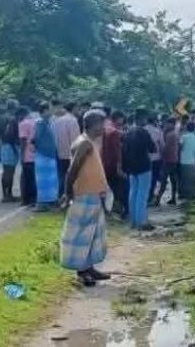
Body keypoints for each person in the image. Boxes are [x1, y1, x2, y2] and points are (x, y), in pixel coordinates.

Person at [60, 109, 111, 287]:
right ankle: (82, 272)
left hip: (93, 195)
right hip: (84, 196)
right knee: (82, 235)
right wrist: (67, 193)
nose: (103, 128)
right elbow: (72, 170)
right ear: (93, 125)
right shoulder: (84, 144)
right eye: (102, 124)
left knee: (93, 235)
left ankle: (89, 268)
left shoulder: (89, 142)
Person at [122, 108, 155, 230]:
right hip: (144, 166)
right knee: (142, 194)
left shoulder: (128, 132)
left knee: (133, 193)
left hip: (131, 167)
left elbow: (124, 151)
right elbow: (152, 148)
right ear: (142, 118)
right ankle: (141, 221)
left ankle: (133, 221)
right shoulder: (144, 132)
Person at [34, 102, 59, 212]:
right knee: (43, 181)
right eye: (50, 109)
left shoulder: (48, 122)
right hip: (44, 156)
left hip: (49, 156)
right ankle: (41, 203)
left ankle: (48, 202)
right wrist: (44, 150)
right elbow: (37, 138)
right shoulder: (40, 123)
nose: (52, 111)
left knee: (50, 181)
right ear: (44, 111)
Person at [53, 101, 81, 198]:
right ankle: (67, 197)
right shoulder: (73, 121)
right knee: (70, 177)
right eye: (77, 108)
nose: (78, 110)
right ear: (73, 109)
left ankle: (60, 196)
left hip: (59, 152)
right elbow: (75, 139)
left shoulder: (58, 120)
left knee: (61, 176)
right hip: (70, 154)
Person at [103, 111, 126, 218]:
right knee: (119, 188)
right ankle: (118, 210)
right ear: (118, 118)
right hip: (113, 164)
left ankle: (108, 209)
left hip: (105, 163)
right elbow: (117, 151)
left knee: (109, 188)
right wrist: (119, 167)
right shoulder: (114, 132)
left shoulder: (106, 128)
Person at [157, 117, 179, 206]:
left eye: (168, 124)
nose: (166, 125)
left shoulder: (170, 135)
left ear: (172, 124)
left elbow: (166, 148)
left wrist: (159, 147)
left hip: (168, 160)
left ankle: (157, 199)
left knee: (163, 180)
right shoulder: (175, 133)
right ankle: (173, 198)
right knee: (173, 180)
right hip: (174, 159)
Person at [18, 106, 37, 206]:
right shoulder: (35, 122)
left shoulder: (23, 124)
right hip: (35, 154)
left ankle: (27, 199)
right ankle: (33, 199)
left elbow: (23, 141)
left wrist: (21, 156)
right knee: (33, 178)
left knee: (27, 178)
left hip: (27, 155)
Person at [0, 109, 20, 202]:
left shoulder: (4, 119)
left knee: (6, 171)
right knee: (9, 172)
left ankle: (6, 194)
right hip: (10, 147)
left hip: (4, 146)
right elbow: (11, 135)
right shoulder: (13, 120)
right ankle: (8, 195)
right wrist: (15, 149)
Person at [144, 115, 164, 203]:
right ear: (154, 122)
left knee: (145, 177)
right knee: (154, 177)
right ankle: (150, 194)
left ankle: (145, 194)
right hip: (156, 158)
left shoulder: (142, 130)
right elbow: (162, 145)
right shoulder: (158, 131)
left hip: (144, 158)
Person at [178, 122, 195, 200]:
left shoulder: (184, 137)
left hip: (183, 160)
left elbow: (180, 147)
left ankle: (183, 194)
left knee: (183, 179)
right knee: (191, 179)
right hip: (192, 160)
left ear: (187, 128)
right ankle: (191, 194)